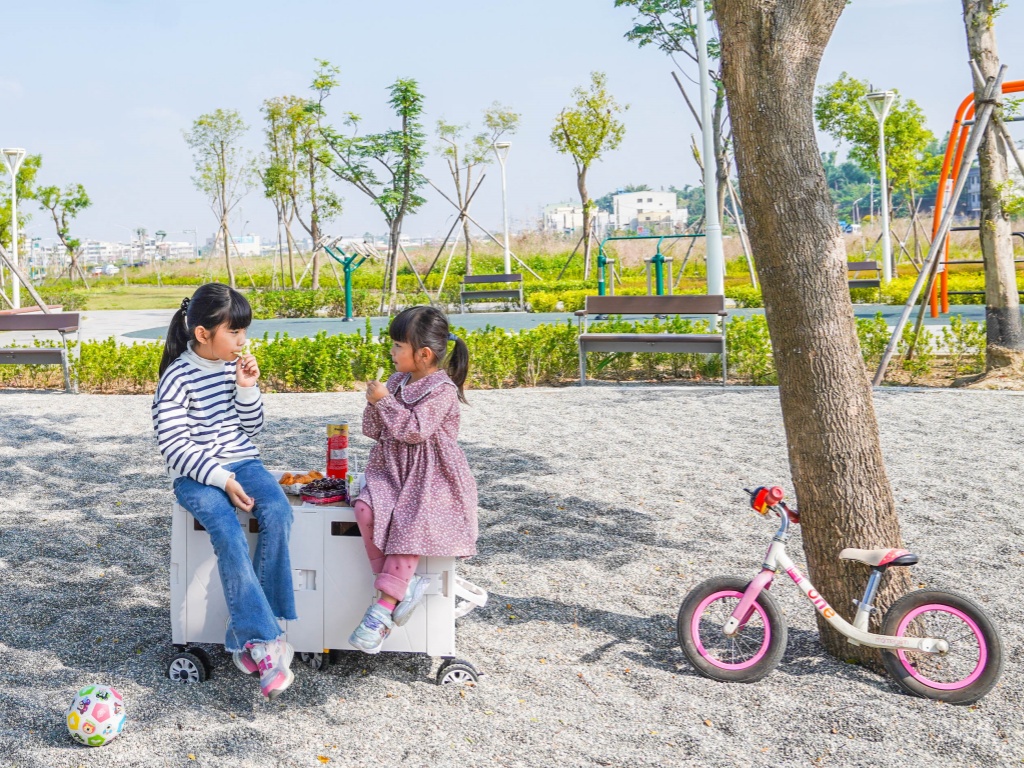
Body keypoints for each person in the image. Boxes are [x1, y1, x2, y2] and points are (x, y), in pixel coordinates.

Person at [152, 283, 296, 699]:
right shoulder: (176, 378)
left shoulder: (230, 367)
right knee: (228, 530)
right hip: (195, 475)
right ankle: (268, 643)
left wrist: (247, 388)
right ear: (202, 334)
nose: (242, 340)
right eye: (234, 332)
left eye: (243, 331)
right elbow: (175, 447)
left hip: (243, 462)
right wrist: (222, 479)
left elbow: (252, 429)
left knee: (279, 512)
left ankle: (247, 635)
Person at [349, 305, 479, 653]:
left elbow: (414, 431)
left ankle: (385, 605)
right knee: (364, 510)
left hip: (429, 475)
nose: (391, 352)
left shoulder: (442, 391)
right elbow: (373, 430)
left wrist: (386, 403)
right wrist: (374, 402)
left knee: (408, 527)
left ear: (423, 355)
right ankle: (395, 585)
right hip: (391, 470)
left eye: (396, 346)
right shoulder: (396, 382)